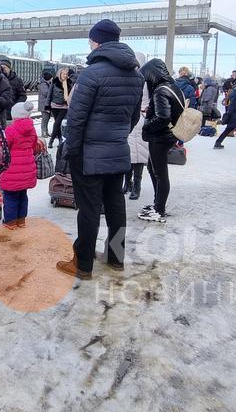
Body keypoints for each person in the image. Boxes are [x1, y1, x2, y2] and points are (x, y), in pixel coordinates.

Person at [56, 20, 142, 279]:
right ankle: (116, 257)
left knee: (89, 209)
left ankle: (83, 264)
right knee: (116, 205)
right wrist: (116, 137)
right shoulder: (136, 75)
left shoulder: (91, 74)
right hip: (118, 152)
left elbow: (77, 118)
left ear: (97, 42)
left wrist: (73, 150)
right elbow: (134, 117)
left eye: (91, 40)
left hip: (90, 154)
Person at [136, 59, 185, 222]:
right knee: (153, 168)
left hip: (160, 137)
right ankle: (158, 203)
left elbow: (163, 118)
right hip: (169, 135)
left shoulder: (159, 91)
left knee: (160, 173)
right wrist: (151, 110)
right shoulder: (173, 86)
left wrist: (147, 124)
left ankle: (159, 209)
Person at [0, 101, 38, 230]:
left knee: (10, 196)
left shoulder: (11, 129)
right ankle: (21, 221)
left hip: (12, 169)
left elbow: (4, 148)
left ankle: (10, 222)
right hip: (27, 167)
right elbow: (33, 145)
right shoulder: (31, 129)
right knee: (22, 195)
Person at [126, 52, 150, 200]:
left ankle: (137, 185)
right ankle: (127, 182)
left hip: (141, 119)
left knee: (139, 155)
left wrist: (147, 110)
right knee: (127, 154)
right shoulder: (125, 78)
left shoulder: (148, 81)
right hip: (128, 119)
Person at [47, 68, 72, 148]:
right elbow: (49, 94)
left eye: (66, 74)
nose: (65, 75)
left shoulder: (69, 83)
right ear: (59, 74)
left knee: (57, 123)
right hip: (54, 105)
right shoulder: (54, 82)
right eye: (63, 74)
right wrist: (47, 105)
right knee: (56, 124)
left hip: (64, 106)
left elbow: (71, 95)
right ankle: (60, 138)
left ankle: (51, 140)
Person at [37, 69, 54, 137]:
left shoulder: (47, 84)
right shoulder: (43, 84)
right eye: (51, 79)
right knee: (45, 119)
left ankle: (46, 132)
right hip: (44, 105)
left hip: (46, 104)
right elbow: (47, 93)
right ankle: (44, 132)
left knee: (47, 119)